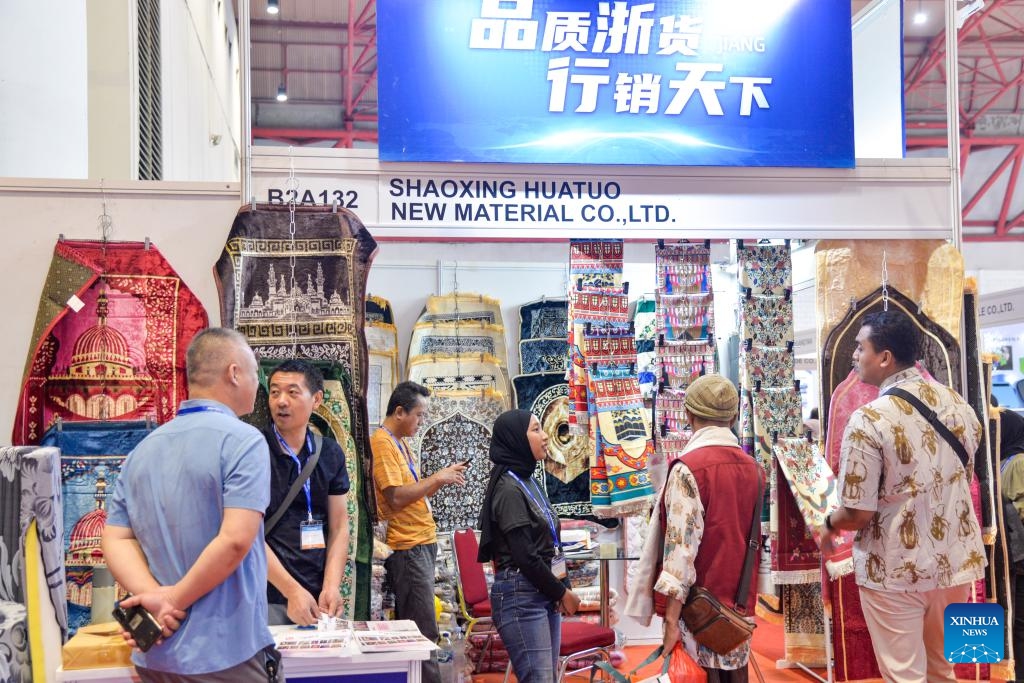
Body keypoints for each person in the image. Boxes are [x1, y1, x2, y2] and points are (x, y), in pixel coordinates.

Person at [101, 327, 279, 682]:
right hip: (225, 652)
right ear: (234, 373)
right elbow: (235, 540)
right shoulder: (244, 441)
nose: (259, 385)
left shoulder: (142, 450)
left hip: (157, 649)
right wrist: (172, 600)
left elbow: (115, 539)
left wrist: (153, 598)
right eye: (256, 372)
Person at [818, 310, 985, 682]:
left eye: (860, 348)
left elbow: (858, 513)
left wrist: (828, 524)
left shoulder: (869, 419)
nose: (855, 356)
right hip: (957, 563)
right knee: (944, 668)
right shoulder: (959, 405)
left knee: (903, 674)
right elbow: (964, 478)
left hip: (895, 566)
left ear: (885, 357)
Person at [637, 374, 764, 683]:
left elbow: (681, 552)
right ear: (733, 416)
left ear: (687, 414)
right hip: (738, 611)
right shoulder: (755, 470)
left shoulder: (689, 468)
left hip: (700, 611)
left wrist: (670, 620)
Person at [371, 381, 467, 683]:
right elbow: (396, 497)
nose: (421, 422)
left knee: (424, 630)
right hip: (408, 547)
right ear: (400, 411)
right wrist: (437, 478)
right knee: (421, 633)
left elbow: (411, 493)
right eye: (419, 415)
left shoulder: (399, 442)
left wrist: (439, 479)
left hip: (420, 544)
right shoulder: (382, 442)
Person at [477, 409, 581, 683]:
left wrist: (562, 588)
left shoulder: (527, 481)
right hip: (521, 596)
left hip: (540, 591)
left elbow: (548, 547)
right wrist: (561, 592)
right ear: (516, 439)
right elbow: (525, 555)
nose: (545, 436)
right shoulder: (508, 489)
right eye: (536, 430)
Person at [263, 359, 350, 625]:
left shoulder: (330, 453)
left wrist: (331, 586)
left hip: (316, 593)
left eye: (292, 392)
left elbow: (339, 525)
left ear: (317, 399)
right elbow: (248, 534)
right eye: (275, 392)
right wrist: (291, 592)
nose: (281, 401)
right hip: (265, 593)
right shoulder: (254, 450)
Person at [998, 406, 1024, 681]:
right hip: (1012, 561)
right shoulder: (1007, 461)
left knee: (1018, 626)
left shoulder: (1017, 462)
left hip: (1017, 560)